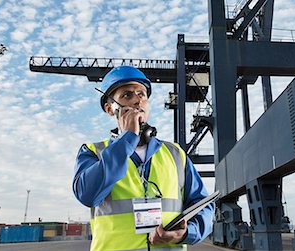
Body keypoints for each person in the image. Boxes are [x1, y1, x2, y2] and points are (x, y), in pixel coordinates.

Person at [73, 66, 215, 251]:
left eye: (142, 94)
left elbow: (202, 205)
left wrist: (188, 232)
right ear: (110, 109)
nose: (137, 100)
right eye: (127, 95)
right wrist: (127, 139)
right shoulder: (93, 152)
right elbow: (87, 195)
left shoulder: (176, 154)